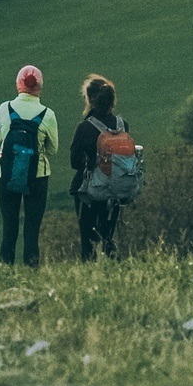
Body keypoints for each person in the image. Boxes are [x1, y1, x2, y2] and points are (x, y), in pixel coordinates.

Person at [0, 64, 58, 267]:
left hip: (7, 173)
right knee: (32, 228)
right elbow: (53, 148)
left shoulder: (5, 108)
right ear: (40, 87)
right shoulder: (47, 114)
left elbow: (3, 137)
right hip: (38, 176)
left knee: (9, 226)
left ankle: (5, 268)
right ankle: (32, 270)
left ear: (18, 85)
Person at [69, 75, 129, 260]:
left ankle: (89, 275)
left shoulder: (85, 128)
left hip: (89, 191)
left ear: (89, 99)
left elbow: (74, 162)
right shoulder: (122, 125)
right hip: (116, 189)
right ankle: (113, 271)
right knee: (108, 237)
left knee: (88, 241)